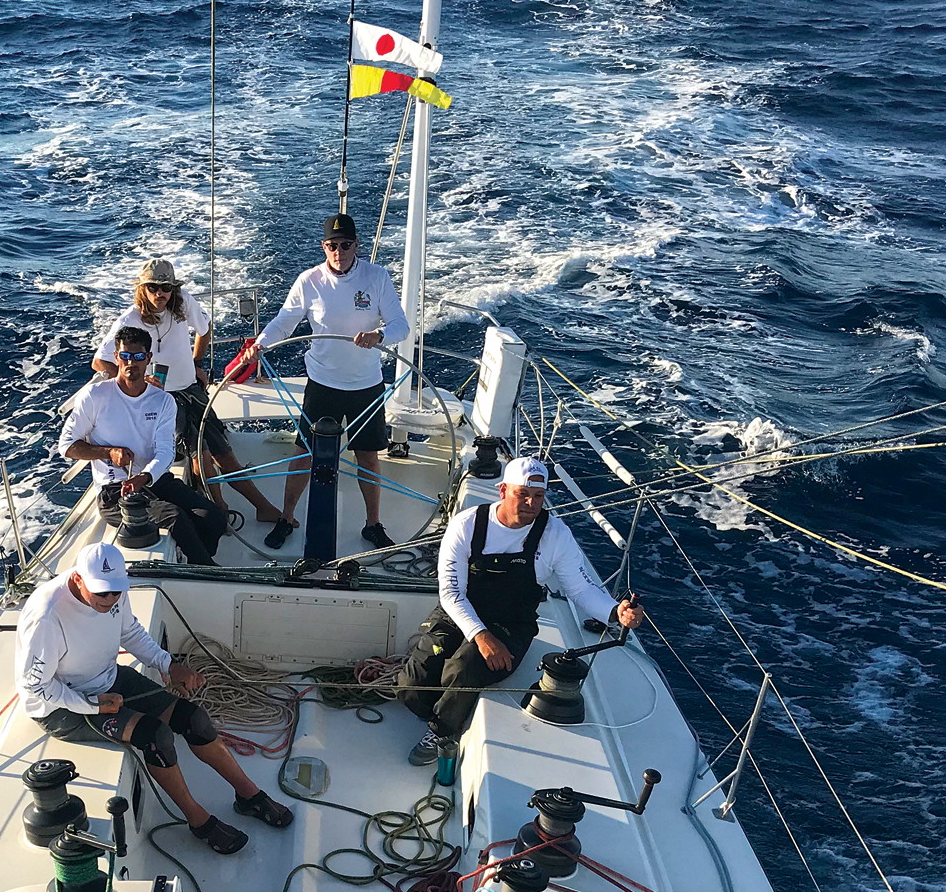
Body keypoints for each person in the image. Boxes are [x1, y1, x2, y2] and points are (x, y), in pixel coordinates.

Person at [17, 540, 293, 854]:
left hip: (108, 678)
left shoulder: (113, 592)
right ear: (78, 579)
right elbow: (34, 685)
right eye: (102, 593)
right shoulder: (47, 617)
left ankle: (249, 796)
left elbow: (130, 632)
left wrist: (169, 665)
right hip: (62, 707)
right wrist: (91, 704)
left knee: (195, 720)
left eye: (116, 592)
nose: (110, 599)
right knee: (155, 738)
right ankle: (198, 821)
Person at [397, 457, 644, 763]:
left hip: (511, 623)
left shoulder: (555, 534)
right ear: (503, 491)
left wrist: (615, 612)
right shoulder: (467, 525)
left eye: (538, 496)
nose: (531, 503)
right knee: (410, 687)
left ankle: (442, 730)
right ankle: (441, 699)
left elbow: (580, 589)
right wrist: (481, 636)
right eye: (522, 494)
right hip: (457, 614)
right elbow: (451, 593)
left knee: (462, 668)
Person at [234, 212, 408, 552]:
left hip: (366, 385)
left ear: (357, 245)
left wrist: (379, 335)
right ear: (323, 247)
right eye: (332, 245)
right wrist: (259, 345)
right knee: (304, 454)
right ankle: (286, 517)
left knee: (368, 458)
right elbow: (284, 322)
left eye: (345, 244)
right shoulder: (309, 281)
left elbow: (400, 325)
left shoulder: (377, 277)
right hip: (323, 384)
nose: (339, 252)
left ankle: (373, 525)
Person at [92, 258, 286, 530]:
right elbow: (100, 362)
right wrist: (137, 382)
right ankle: (220, 510)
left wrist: (196, 363)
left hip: (191, 390)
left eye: (166, 288)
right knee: (200, 454)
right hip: (162, 400)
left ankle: (263, 508)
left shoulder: (183, 302)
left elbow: (204, 330)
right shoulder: (130, 320)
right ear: (142, 289)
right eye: (153, 287)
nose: (160, 293)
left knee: (224, 452)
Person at [63, 325, 228, 565]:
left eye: (138, 356)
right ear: (116, 357)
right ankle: (208, 571)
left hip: (153, 479)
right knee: (176, 517)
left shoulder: (163, 401)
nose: (131, 362)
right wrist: (108, 452)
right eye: (125, 355)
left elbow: (165, 451)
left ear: (148, 358)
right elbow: (67, 446)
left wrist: (144, 476)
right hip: (114, 490)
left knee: (213, 517)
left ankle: (196, 564)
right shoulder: (94, 396)